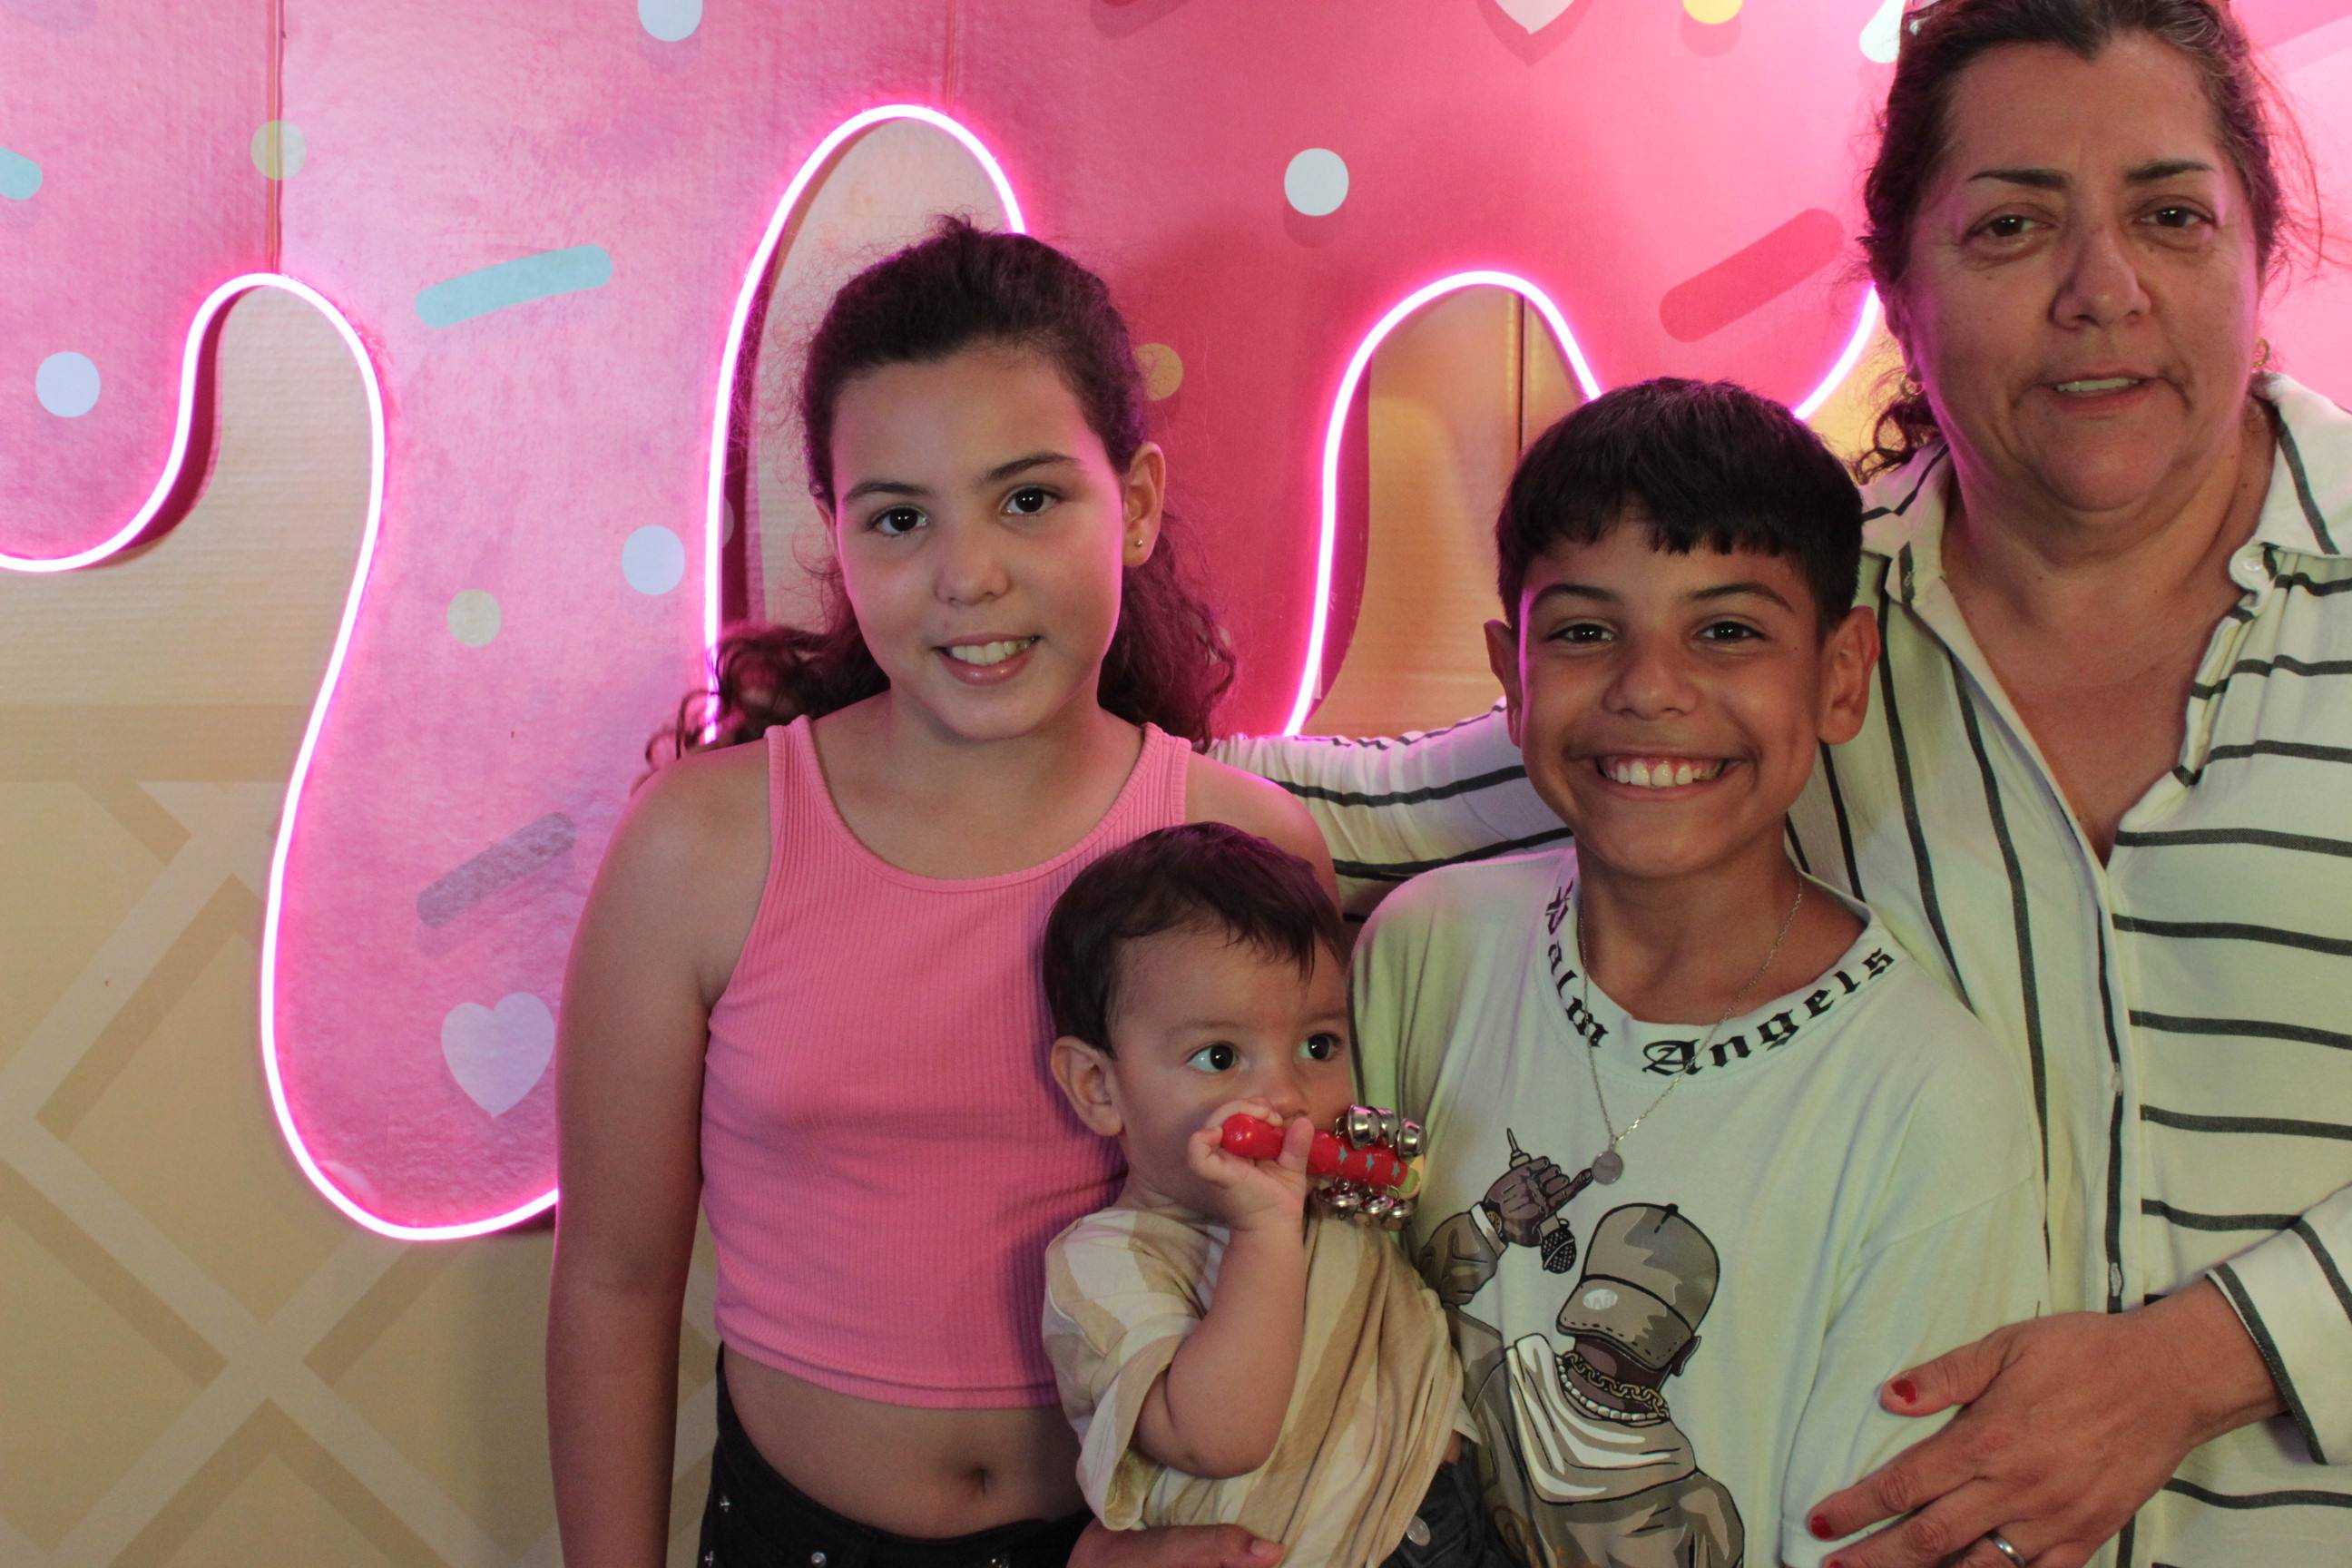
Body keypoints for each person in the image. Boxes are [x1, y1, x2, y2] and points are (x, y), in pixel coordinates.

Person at [1218, 5, 2352, 1564]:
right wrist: (945, 721)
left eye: (2170, 215)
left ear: (2261, 245)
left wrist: (2200, 1359)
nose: (2103, 289)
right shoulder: (1776, 633)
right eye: (2012, 225)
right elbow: (1375, 807)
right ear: (1899, 289)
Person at [547, 219, 1326, 1568]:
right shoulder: (700, 850)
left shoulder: (1244, 847)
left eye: (1029, 500)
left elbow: (1301, 1248)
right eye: (901, 519)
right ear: (839, 540)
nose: (969, 576)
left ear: (1136, 505)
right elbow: (615, 1282)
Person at [1346, 377, 2047, 1568]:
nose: (1648, 687)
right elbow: (1332, 1309)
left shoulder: (1927, 1099)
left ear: (1841, 674)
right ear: (1512, 678)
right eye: (1584, 631)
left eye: (1727, 631)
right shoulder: (1426, 951)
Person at [1037, 823, 1511, 1568]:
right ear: (1100, 1087)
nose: (1288, 1095)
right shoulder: (1105, 1263)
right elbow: (1219, 1438)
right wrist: (1263, 1234)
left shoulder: (1334, 1193)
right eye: (1219, 1056)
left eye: (1318, 1046)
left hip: (1458, 1518)